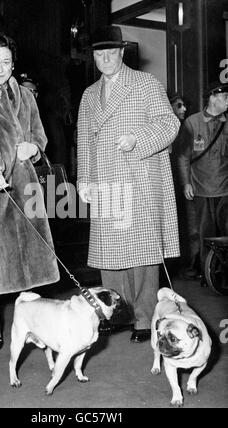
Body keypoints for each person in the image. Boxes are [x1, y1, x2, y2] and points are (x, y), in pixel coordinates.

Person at [77, 25, 180, 342]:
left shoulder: (145, 83)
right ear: (93, 56)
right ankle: (117, 313)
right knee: (110, 254)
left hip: (138, 178)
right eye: (99, 53)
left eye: (111, 52)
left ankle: (144, 319)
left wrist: (138, 139)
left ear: (122, 52)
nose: (105, 58)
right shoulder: (90, 94)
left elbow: (169, 124)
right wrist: (84, 179)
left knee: (142, 254)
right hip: (106, 183)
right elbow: (84, 142)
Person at [0, 33, 59, 350]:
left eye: (5, 61)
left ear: (14, 63)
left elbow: (40, 138)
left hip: (26, 187)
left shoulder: (27, 98)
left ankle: (29, 321)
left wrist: (33, 148)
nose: (0, 68)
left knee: (28, 261)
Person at [178, 81, 228, 280]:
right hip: (201, 188)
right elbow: (183, 156)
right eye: (225, 98)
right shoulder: (192, 122)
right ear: (213, 98)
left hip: (225, 188)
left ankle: (224, 273)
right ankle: (207, 273)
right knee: (203, 233)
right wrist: (186, 183)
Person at [169, 96, 201, 280]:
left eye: (185, 105)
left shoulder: (185, 129)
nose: (183, 109)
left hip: (184, 185)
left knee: (190, 226)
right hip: (172, 185)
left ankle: (190, 265)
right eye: (178, 105)